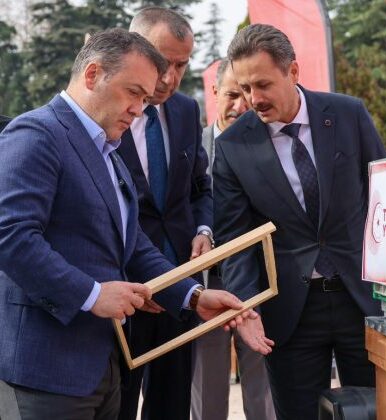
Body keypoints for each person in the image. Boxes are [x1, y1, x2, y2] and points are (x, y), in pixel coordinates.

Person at [0, 28, 268, 420]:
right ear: (92, 75)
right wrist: (91, 294)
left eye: (145, 98)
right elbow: (10, 236)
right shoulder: (35, 134)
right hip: (46, 372)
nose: (139, 109)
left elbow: (135, 245)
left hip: (103, 368)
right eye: (133, 93)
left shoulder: (108, 151)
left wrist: (194, 296)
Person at [214, 24, 386, 419]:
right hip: (291, 315)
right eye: (244, 88)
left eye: (263, 84)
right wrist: (246, 308)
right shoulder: (233, 147)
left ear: (292, 71)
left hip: (363, 299)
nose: (253, 99)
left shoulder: (348, 115)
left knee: (379, 411)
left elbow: (384, 197)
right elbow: (235, 239)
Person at [116, 7, 213, 420]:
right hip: (121, 293)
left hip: (180, 287)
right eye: (161, 62)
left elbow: (200, 187)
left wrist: (204, 230)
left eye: (181, 65)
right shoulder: (103, 115)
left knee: (172, 404)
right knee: (118, 404)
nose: (170, 78)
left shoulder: (187, 111)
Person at [191, 59, 276, 420]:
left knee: (264, 392)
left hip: (257, 286)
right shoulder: (191, 146)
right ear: (214, 92)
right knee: (207, 391)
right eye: (230, 95)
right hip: (205, 287)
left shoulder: (269, 144)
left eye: (245, 95)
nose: (239, 105)